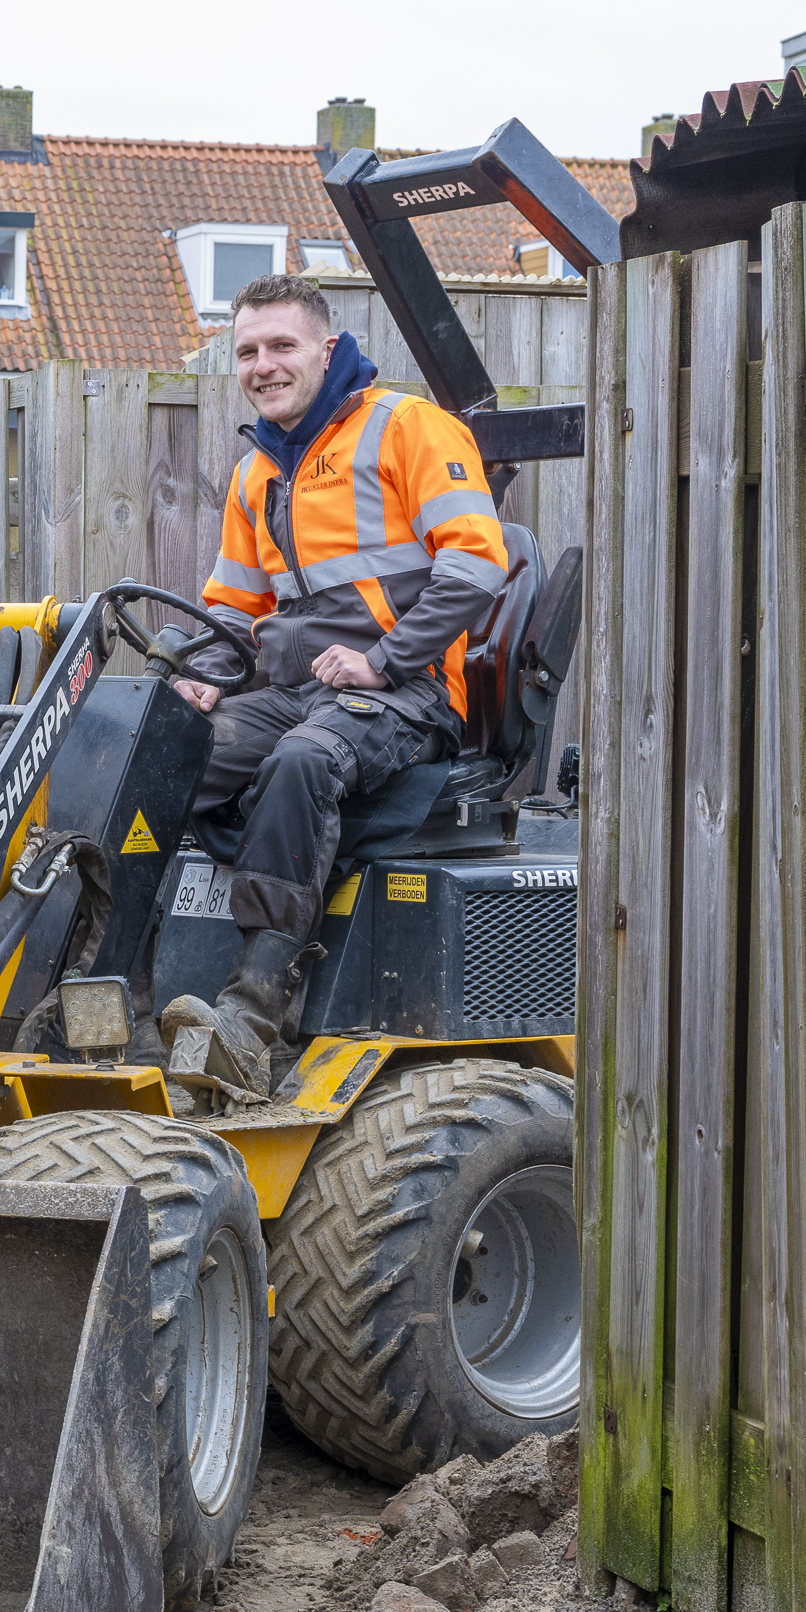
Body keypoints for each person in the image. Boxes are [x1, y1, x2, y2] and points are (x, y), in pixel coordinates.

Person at [158, 269, 510, 1097]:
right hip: (293, 689)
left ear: (327, 347)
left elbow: (474, 566)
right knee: (159, 752)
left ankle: (252, 1015)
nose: (263, 364)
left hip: (406, 692)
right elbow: (233, 607)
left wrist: (383, 658)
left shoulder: (406, 428)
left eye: (281, 345)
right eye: (247, 351)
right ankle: (106, 986)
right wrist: (206, 679)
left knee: (302, 760)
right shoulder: (259, 471)